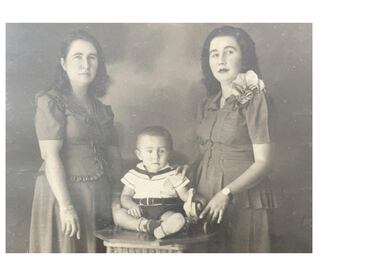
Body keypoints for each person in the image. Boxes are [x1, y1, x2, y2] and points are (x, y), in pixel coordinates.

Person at [29, 30, 122, 253]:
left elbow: (114, 157)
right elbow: (50, 155)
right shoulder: (51, 101)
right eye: (77, 57)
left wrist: (117, 197)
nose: (85, 64)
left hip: (99, 199)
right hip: (62, 195)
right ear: (63, 63)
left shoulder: (102, 109)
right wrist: (66, 206)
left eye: (92, 57)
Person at [195, 25, 278, 252]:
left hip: (245, 201)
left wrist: (226, 193)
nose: (220, 59)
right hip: (208, 200)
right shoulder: (208, 104)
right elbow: (205, 154)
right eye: (214, 54)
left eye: (229, 51)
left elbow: (264, 162)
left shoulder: (256, 98)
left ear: (245, 57)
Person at [113, 126, 203, 239]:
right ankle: (146, 226)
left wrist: (193, 200)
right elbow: (125, 196)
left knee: (175, 217)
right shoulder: (134, 174)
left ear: (170, 153)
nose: (155, 156)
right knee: (119, 215)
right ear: (139, 155)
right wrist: (132, 206)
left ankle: (164, 228)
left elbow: (185, 195)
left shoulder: (174, 173)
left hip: (165, 210)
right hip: (141, 212)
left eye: (161, 151)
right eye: (149, 151)